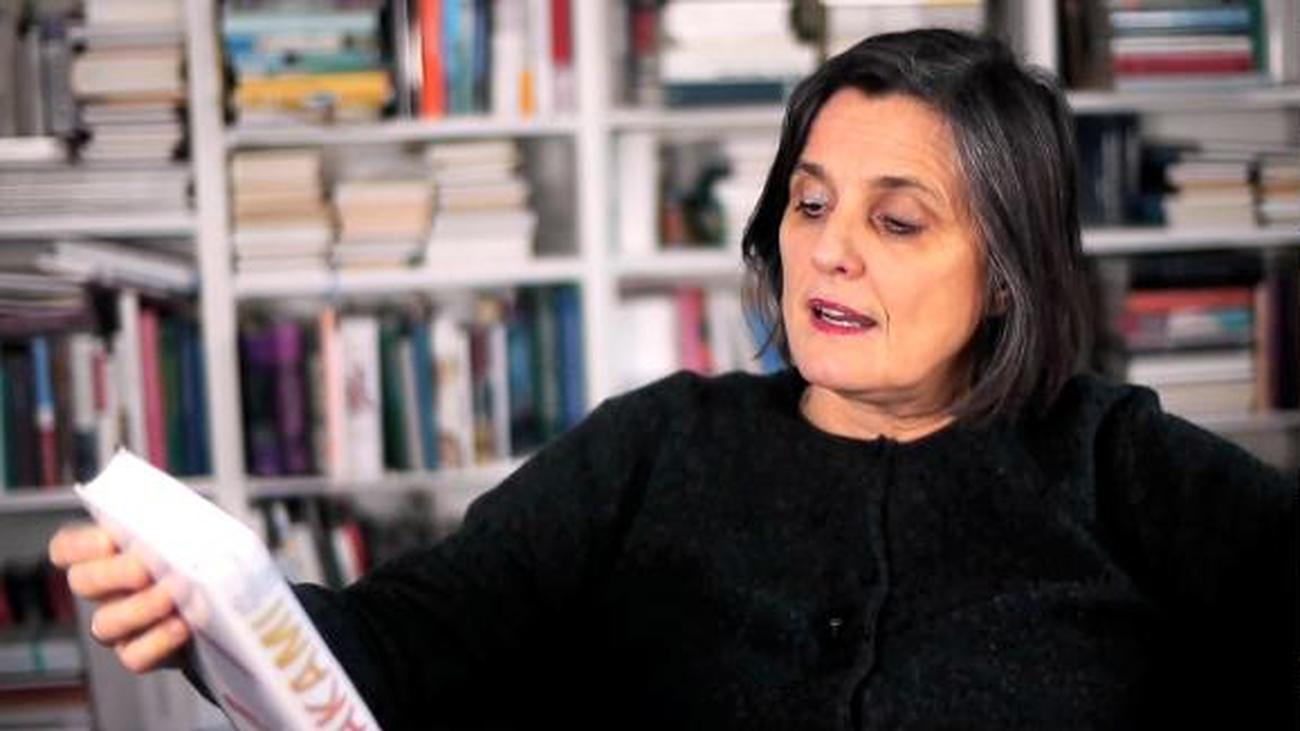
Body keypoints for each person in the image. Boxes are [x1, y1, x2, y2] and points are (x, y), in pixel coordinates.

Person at [49, 29, 1295, 729]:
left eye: (897, 220)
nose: (828, 249)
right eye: (809, 202)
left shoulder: (1117, 459)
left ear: (1008, 274)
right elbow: (407, 639)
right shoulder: (654, 447)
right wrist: (222, 619)